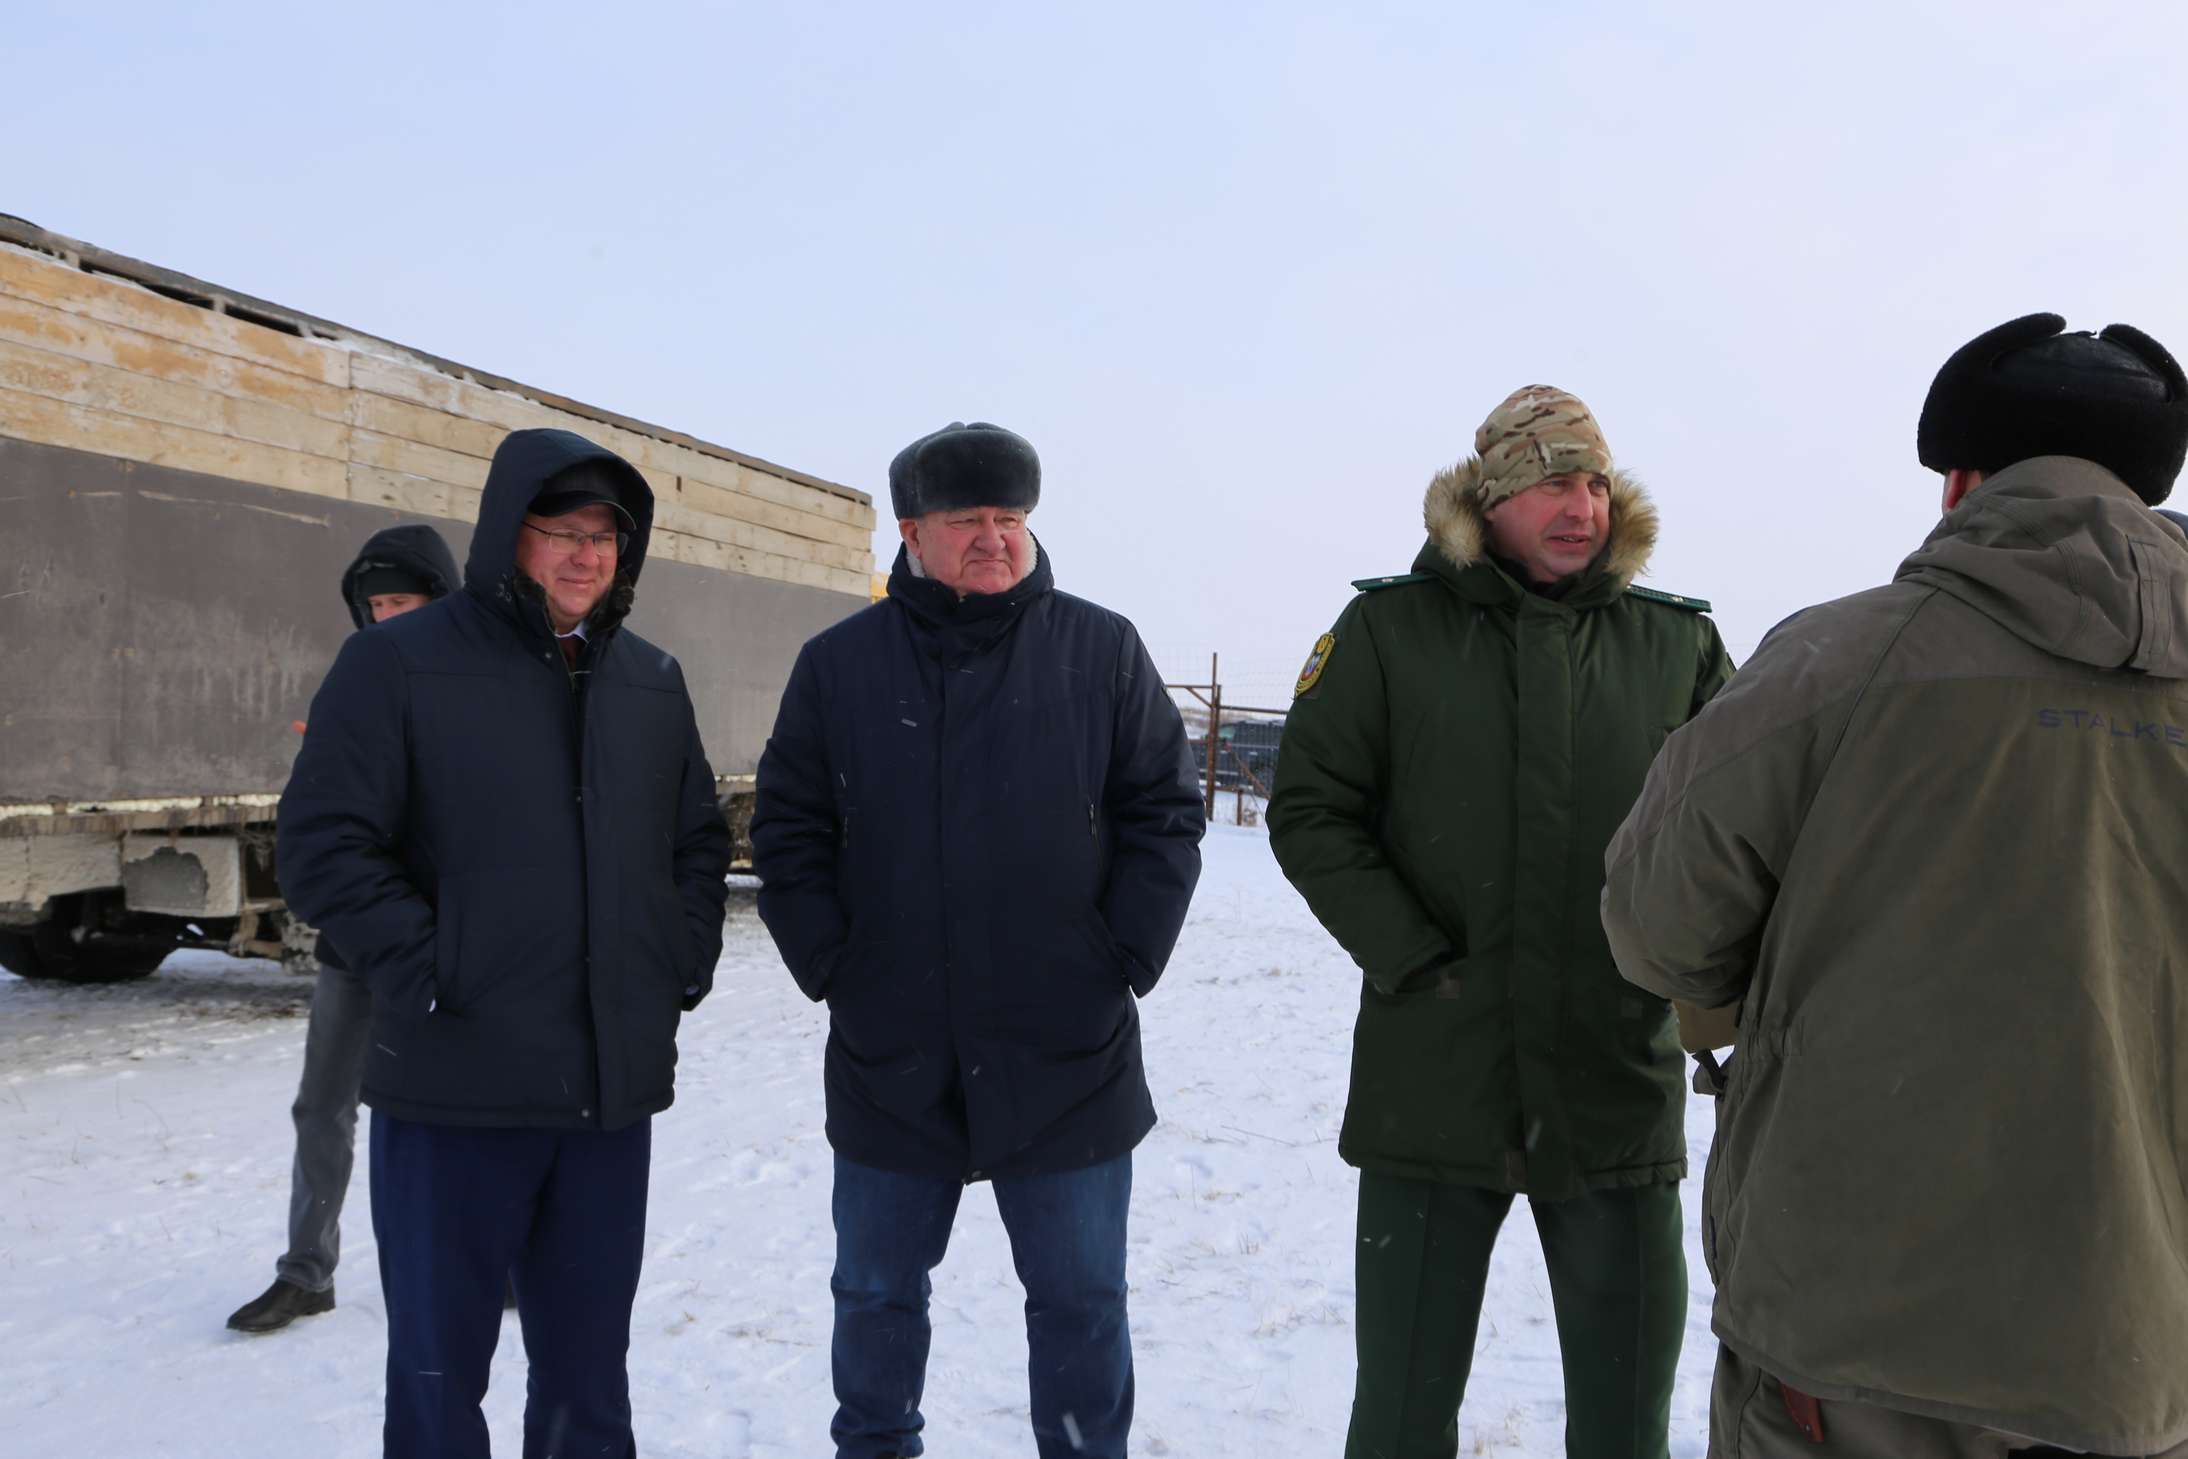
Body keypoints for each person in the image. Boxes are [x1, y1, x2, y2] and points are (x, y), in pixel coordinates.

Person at [1602, 314, 2188, 1457]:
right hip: (2153, 1353)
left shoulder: (1836, 662)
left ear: (1959, 484)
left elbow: (1656, 928)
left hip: (1862, 1343)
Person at [1268, 385, 1732, 1459]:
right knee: (1400, 1417)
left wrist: (1685, 973)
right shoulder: (1389, 631)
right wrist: (1412, 956)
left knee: (1626, 1425)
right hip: (1434, 1079)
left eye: (1594, 483)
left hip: (1613, 1079)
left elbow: (1742, 829)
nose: (1580, 506)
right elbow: (1311, 809)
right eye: (1550, 482)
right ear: (1491, 498)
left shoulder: (1677, 646)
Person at [750, 421, 1205, 1459]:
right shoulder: (839, 664)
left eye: (1010, 517)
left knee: (1081, 1298)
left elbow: (1163, 812)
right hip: (893, 1050)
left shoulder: (1100, 649)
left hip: (1066, 1046)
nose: (994, 539)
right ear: (912, 532)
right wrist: (833, 963)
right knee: (875, 1291)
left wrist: (1120, 957)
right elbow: (788, 828)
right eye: (967, 520)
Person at [275, 427, 731, 1458]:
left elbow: (697, 843)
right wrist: (434, 968)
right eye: (561, 530)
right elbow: (322, 844)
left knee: (589, 1379)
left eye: (605, 535)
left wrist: (676, 958)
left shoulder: (650, 678)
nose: (586, 554)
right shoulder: (398, 662)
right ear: (505, 535)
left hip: (605, 1099)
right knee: (439, 1379)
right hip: (455, 1095)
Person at [227, 525, 459, 1335]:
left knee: (455, 1112)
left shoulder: (478, 689)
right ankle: (306, 1271)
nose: (388, 616)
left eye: (404, 601)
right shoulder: (352, 687)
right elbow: (322, 821)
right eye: (377, 605)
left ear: (441, 600)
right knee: (322, 1106)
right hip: (357, 943)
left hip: (446, 944)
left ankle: (484, 1258)